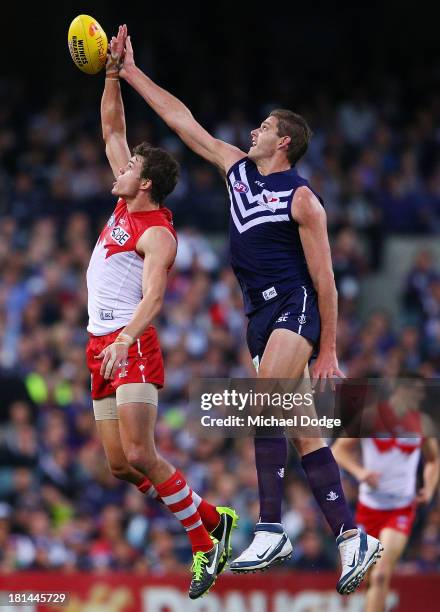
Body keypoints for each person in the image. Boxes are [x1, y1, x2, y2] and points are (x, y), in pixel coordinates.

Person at [115, 28, 383, 594]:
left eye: (264, 128)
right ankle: (352, 536)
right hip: (257, 318)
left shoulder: (302, 199)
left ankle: (269, 528)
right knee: (303, 432)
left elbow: (326, 279)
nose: (254, 131)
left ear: (283, 142)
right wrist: (131, 73)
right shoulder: (236, 171)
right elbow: (183, 123)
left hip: (296, 305)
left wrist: (328, 346)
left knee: (262, 405)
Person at [85, 26, 238, 600]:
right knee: (121, 466)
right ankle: (208, 516)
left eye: (126, 170)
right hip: (99, 343)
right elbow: (112, 128)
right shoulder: (129, 200)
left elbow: (154, 298)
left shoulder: (158, 235)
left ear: (145, 183)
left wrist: (127, 338)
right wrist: (111, 74)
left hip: (132, 346)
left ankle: (204, 545)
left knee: (145, 453)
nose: (115, 170)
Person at [333, 376, 440, 611]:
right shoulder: (371, 418)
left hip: (401, 508)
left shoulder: (422, 423)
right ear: (399, 391)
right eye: (415, 392)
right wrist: (360, 472)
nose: (420, 398)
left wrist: (429, 488)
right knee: (368, 578)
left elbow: (434, 460)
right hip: (369, 508)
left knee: (382, 574)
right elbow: (339, 450)